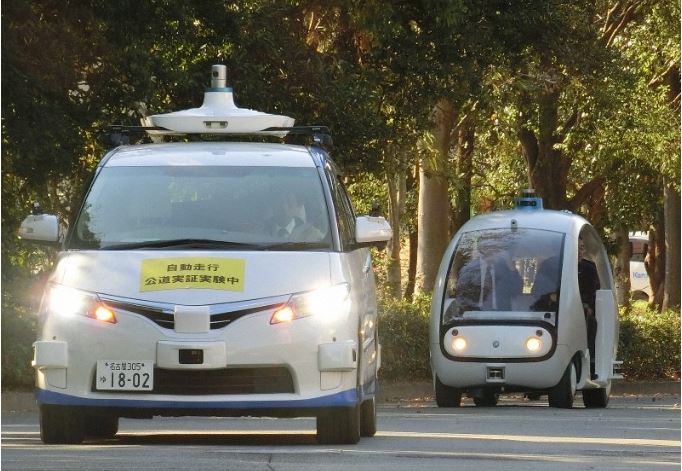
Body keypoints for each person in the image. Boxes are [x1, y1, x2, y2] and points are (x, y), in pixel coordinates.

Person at [578, 236, 600, 379]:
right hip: (558, 311)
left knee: (591, 323)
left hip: (583, 310)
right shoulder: (554, 266)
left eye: (581, 248)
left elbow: (594, 292)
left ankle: (591, 367)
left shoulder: (589, 268)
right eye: (576, 248)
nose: (579, 251)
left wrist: (587, 306)